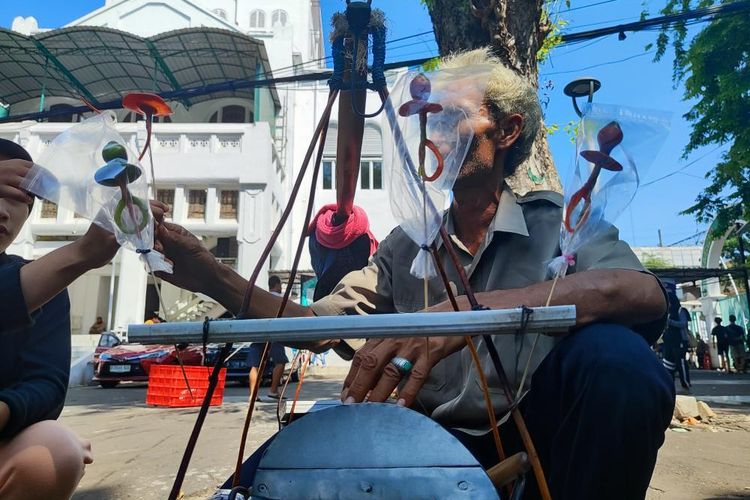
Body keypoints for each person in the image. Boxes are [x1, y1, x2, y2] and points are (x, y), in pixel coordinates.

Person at [153, 48, 673, 499]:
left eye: (450, 117)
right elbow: (313, 323)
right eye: (426, 116)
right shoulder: (408, 245)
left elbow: (641, 293)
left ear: (508, 130)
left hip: (530, 431)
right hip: (418, 437)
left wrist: (464, 315)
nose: (432, 130)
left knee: (619, 361)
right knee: (272, 474)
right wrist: (208, 274)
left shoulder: (561, 226)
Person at [0, 139, 123, 499]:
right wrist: (80, 254)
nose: (3, 212)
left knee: (54, 449)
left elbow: (46, 383)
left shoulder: (47, 289)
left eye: (16, 198)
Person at [246, 276, 289, 401]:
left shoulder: (261, 298)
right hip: (274, 333)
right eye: (280, 285)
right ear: (277, 284)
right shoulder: (281, 299)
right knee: (280, 361)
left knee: (255, 365)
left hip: (259, 332)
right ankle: (273, 391)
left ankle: (253, 395)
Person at [662, 292, 691, 390]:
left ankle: (685, 382)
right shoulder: (668, 312)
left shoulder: (680, 311)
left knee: (681, 362)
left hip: (680, 340)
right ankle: (669, 383)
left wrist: (670, 322)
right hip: (669, 341)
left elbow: (683, 324)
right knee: (668, 362)